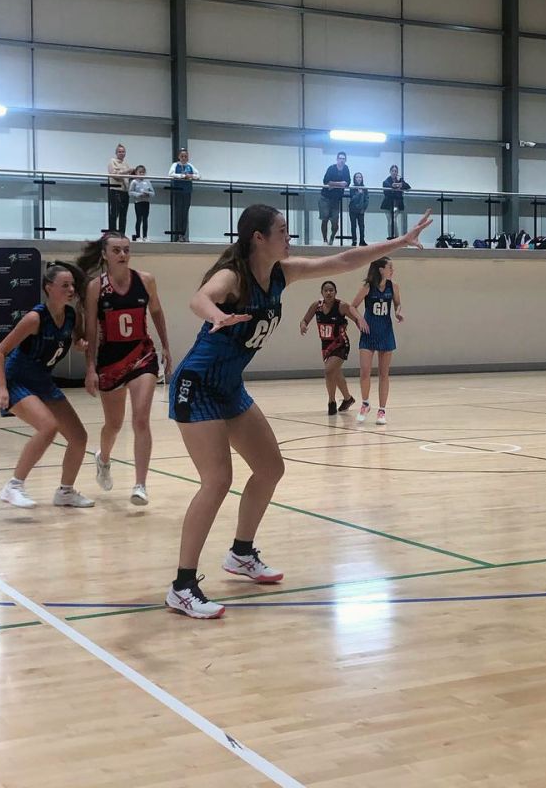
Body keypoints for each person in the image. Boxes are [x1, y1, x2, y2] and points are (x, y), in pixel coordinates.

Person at [164, 204, 433, 619]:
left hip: (229, 387)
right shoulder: (233, 275)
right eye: (283, 230)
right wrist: (217, 315)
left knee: (270, 468)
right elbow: (200, 297)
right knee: (217, 480)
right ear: (258, 237)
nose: (289, 237)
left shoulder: (281, 272)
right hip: (197, 385)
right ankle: (182, 586)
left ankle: (240, 554)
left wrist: (398, 242)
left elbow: (343, 260)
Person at [79, 232, 172, 506]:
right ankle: (103, 458)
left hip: (142, 355)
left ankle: (140, 484)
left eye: (126, 250)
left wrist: (165, 346)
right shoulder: (96, 287)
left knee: (140, 420)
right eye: (117, 250)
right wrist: (91, 368)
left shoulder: (146, 280)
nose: (122, 255)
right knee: (114, 424)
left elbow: (156, 311)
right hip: (110, 360)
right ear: (105, 255)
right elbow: (91, 330)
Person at [0, 262, 94, 510]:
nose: (71, 289)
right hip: (18, 380)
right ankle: (13, 486)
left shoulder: (71, 315)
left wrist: (80, 345)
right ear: (49, 288)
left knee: (79, 437)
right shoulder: (34, 318)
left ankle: (65, 492)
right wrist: (1, 387)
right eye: (64, 285)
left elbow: (75, 340)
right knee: (48, 427)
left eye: (72, 285)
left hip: (43, 381)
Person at [299, 280, 365, 415]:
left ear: (335, 292)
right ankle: (348, 399)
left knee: (329, 371)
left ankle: (331, 402)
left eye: (331, 290)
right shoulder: (316, 306)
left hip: (341, 343)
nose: (328, 292)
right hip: (326, 345)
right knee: (335, 373)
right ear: (322, 293)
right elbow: (304, 320)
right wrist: (303, 325)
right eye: (326, 290)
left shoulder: (342, 306)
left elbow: (357, 320)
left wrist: (364, 329)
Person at [352, 257, 401, 425]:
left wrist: (398, 312)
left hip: (385, 332)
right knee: (365, 371)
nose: (392, 270)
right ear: (381, 269)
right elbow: (352, 306)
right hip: (369, 332)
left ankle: (382, 410)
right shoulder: (368, 287)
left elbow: (397, 305)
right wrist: (360, 319)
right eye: (390, 267)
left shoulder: (393, 287)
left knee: (383, 373)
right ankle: (365, 403)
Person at [168, 147, 200, 242]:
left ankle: (183, 234)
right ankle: (178, 235)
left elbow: (198, 175)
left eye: (185, 156)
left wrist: (191, 176)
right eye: (182, 156)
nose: (184, 158)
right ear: (179, 157)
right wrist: (182, 176)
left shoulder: (190, 166)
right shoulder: (175, 165)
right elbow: (170, 174)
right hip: (178, 191)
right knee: (178, 213)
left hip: (187, 192)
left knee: (185, 214)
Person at [320, 151, 351, 245]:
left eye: (343, 159)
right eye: (340, 158)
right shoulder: (331, 168)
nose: (341, 160)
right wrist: (340, 184)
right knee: (324, 218)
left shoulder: (346, 169)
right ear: (337, 159)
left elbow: (347, 182)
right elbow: (326, 181)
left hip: (336, 199)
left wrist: (334, 184)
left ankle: (332, 238)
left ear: (345, 160)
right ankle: (325, 240)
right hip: (325, 197)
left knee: (335, 222)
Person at [106, 143, 132, 235]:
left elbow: (128, 176)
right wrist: (126, 171)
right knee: (114, 213)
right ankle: (112, 234)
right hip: (116, 190)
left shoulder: (126, 164)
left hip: (125, 191)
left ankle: (122, 234)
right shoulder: (112, 161)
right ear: (116, 153)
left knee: (123, 214)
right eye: (119, 152)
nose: (121, 153)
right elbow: (114, 175)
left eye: (123, 151)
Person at [381, 165, 411, 240]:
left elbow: (408, 187)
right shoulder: (386, 181)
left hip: (397, 204)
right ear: (390, 172)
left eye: (396, 171)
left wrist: (400, 184)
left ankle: (396, 238)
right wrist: (395, 186)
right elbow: (387, 191)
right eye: (393, 171)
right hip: (387, 205)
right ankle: (391, 238)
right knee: (390, 222)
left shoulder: (400, 180)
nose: (394, 172)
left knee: (393, 220)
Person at [128, 165, 155, 241]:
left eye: (143, 172)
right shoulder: (134, 182)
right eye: (140, 172)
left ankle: (145, 236)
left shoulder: (147, 181)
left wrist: (148, 194)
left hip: (146, 202)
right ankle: (138, 236)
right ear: (136, 173)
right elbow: (130, 192)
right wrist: (139, 194)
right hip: (138, 202)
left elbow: (153, 193)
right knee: (139, 219)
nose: (141, 174)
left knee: (145, 219)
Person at [349, 172, 369, 246]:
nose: (358, 179)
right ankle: (354, 240)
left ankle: (362, 240)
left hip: (361, 210)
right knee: (353, 226)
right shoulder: (352, 188)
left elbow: (367, 199)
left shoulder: (365, 188)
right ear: (354, 179)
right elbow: (352, 199)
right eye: (357, 177)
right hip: (353, 210)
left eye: (360, 177)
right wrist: (359, 194)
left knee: (362, 226)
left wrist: (364, 208)